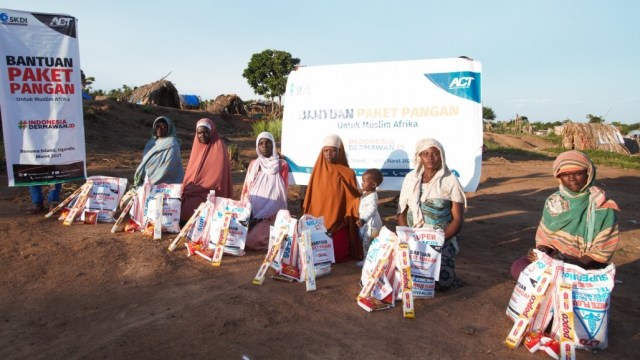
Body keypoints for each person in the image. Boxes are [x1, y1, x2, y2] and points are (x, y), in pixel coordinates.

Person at [510, 150, 620, 279]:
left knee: (565, 280)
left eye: (577, 173)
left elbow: (603, 250)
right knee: (519, 267)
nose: (571, 178)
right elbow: (545, 237)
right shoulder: (554, 201)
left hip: (585, 264)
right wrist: (542, 251)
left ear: (588, 173)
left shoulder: (603, 207)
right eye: (565, 174)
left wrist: (573, 265)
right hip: (555, 259)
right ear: (559, 177)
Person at [397, 138, 466, 291]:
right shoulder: (410, 179)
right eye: (425, 154)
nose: (430, 157)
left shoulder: (450, 181)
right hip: (413, 238)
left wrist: (437, 242)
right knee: (406, 280)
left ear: (441, 156)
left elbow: (458, 220)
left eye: (435, 154)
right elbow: (401, 213)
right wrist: (409, 237)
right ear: (419, 157)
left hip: (441, 239)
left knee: (443, 284)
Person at [303, 134, 361, 262]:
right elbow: (311, 198)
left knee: (337, 255)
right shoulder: (317, 171)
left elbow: (353, 200)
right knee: (313, 254)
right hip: (317, 225)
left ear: (340, 152)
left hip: (338, 223)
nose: (329, 154)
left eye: (333, 150)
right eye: (326, 150)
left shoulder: (348, 173)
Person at [240, 131, 289, 251]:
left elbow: (282, 192)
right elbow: (247, 188)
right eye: (261, 143)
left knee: (251, 241)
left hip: (272, 214)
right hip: (253, 212)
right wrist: (244, 211)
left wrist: (265, 213)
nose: (264, 146)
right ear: (257, 147)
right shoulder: (254, 164)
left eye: (268, 143)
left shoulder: (282, 165)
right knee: (238, 236)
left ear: (273, 145)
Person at [180, 118, 233, 224]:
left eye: (206, 132)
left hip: (210, 192)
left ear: (212, 132)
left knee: (194, 209)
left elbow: (218, 178)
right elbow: (190, 174)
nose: (202, 136)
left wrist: (200, 187)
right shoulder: (197, 147)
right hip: (194, 190)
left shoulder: (219, 148)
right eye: (199, 133)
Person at [133, 116, 184, 188]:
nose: (159, 129)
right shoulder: (151, 143)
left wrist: (152, 181)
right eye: (157, 126)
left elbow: (167, 167)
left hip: (163, 184)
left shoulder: (172, 143)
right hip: (145, 182)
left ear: (169, 129)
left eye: (163, 127)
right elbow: (144, 161)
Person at [355, 168, 384, 266]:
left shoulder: (373, 197)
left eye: (364, 182)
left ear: (374, 185)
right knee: (365, 241)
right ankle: (368, 259)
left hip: (372, 225)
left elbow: (371, 210)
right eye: (362, 181)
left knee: (368, 243)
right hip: (365, 224)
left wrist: (363, 220)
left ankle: (369, 262)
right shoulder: (366, 193)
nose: (362, 183)